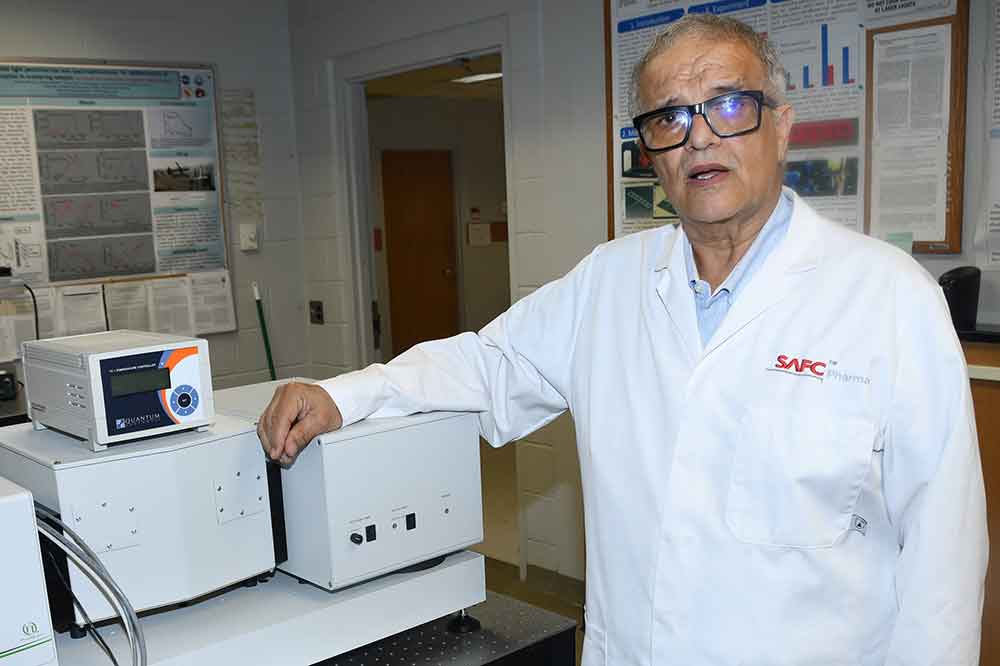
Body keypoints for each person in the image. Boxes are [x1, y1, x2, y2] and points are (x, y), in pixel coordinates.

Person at [258, 14, 987, 665]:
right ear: (651, 151)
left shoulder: (889, 300)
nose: (699, 135)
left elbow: (944, 559)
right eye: (668, 117)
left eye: (729, 105)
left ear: (783, 124)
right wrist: (344, 394)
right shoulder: (610, 282)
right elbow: (489, 363)